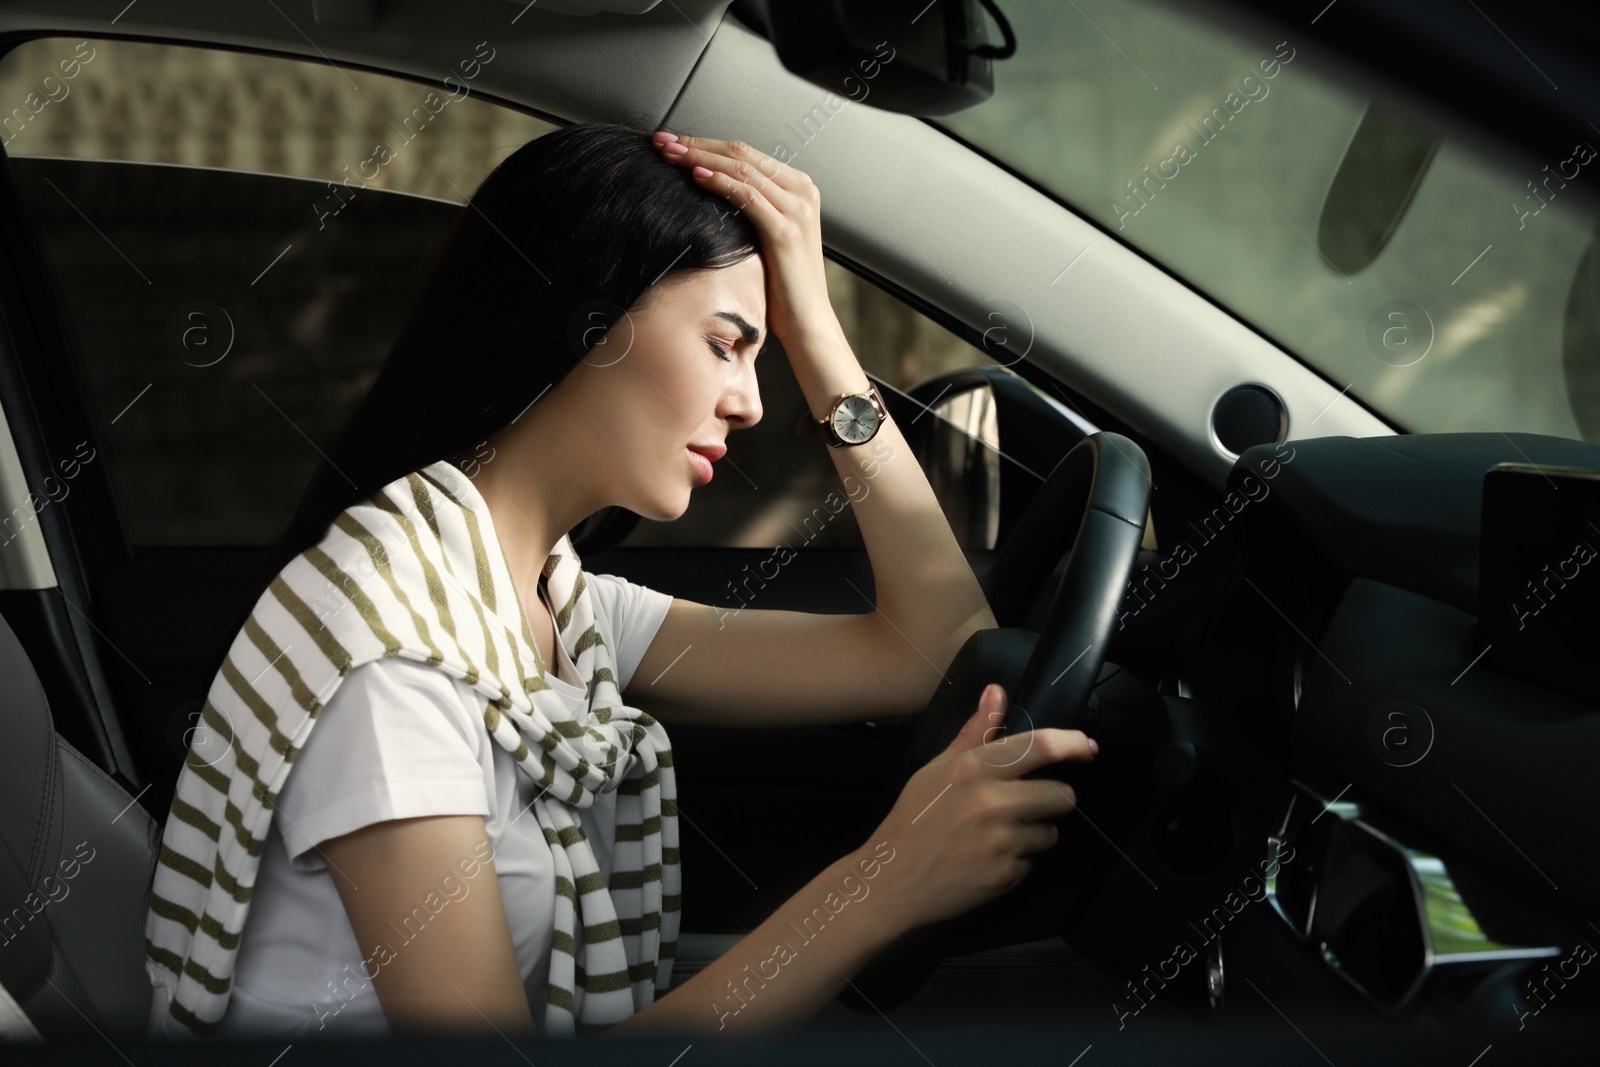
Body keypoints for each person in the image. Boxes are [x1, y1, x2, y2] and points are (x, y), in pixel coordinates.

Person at [143, 122, 1097, 1041]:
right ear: (593, 325)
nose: (753, 403)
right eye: (726, 345)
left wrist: (816, 330)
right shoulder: (394, 662)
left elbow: (935, 647)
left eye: (764, 358)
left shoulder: (561, 602)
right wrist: (890, 875)